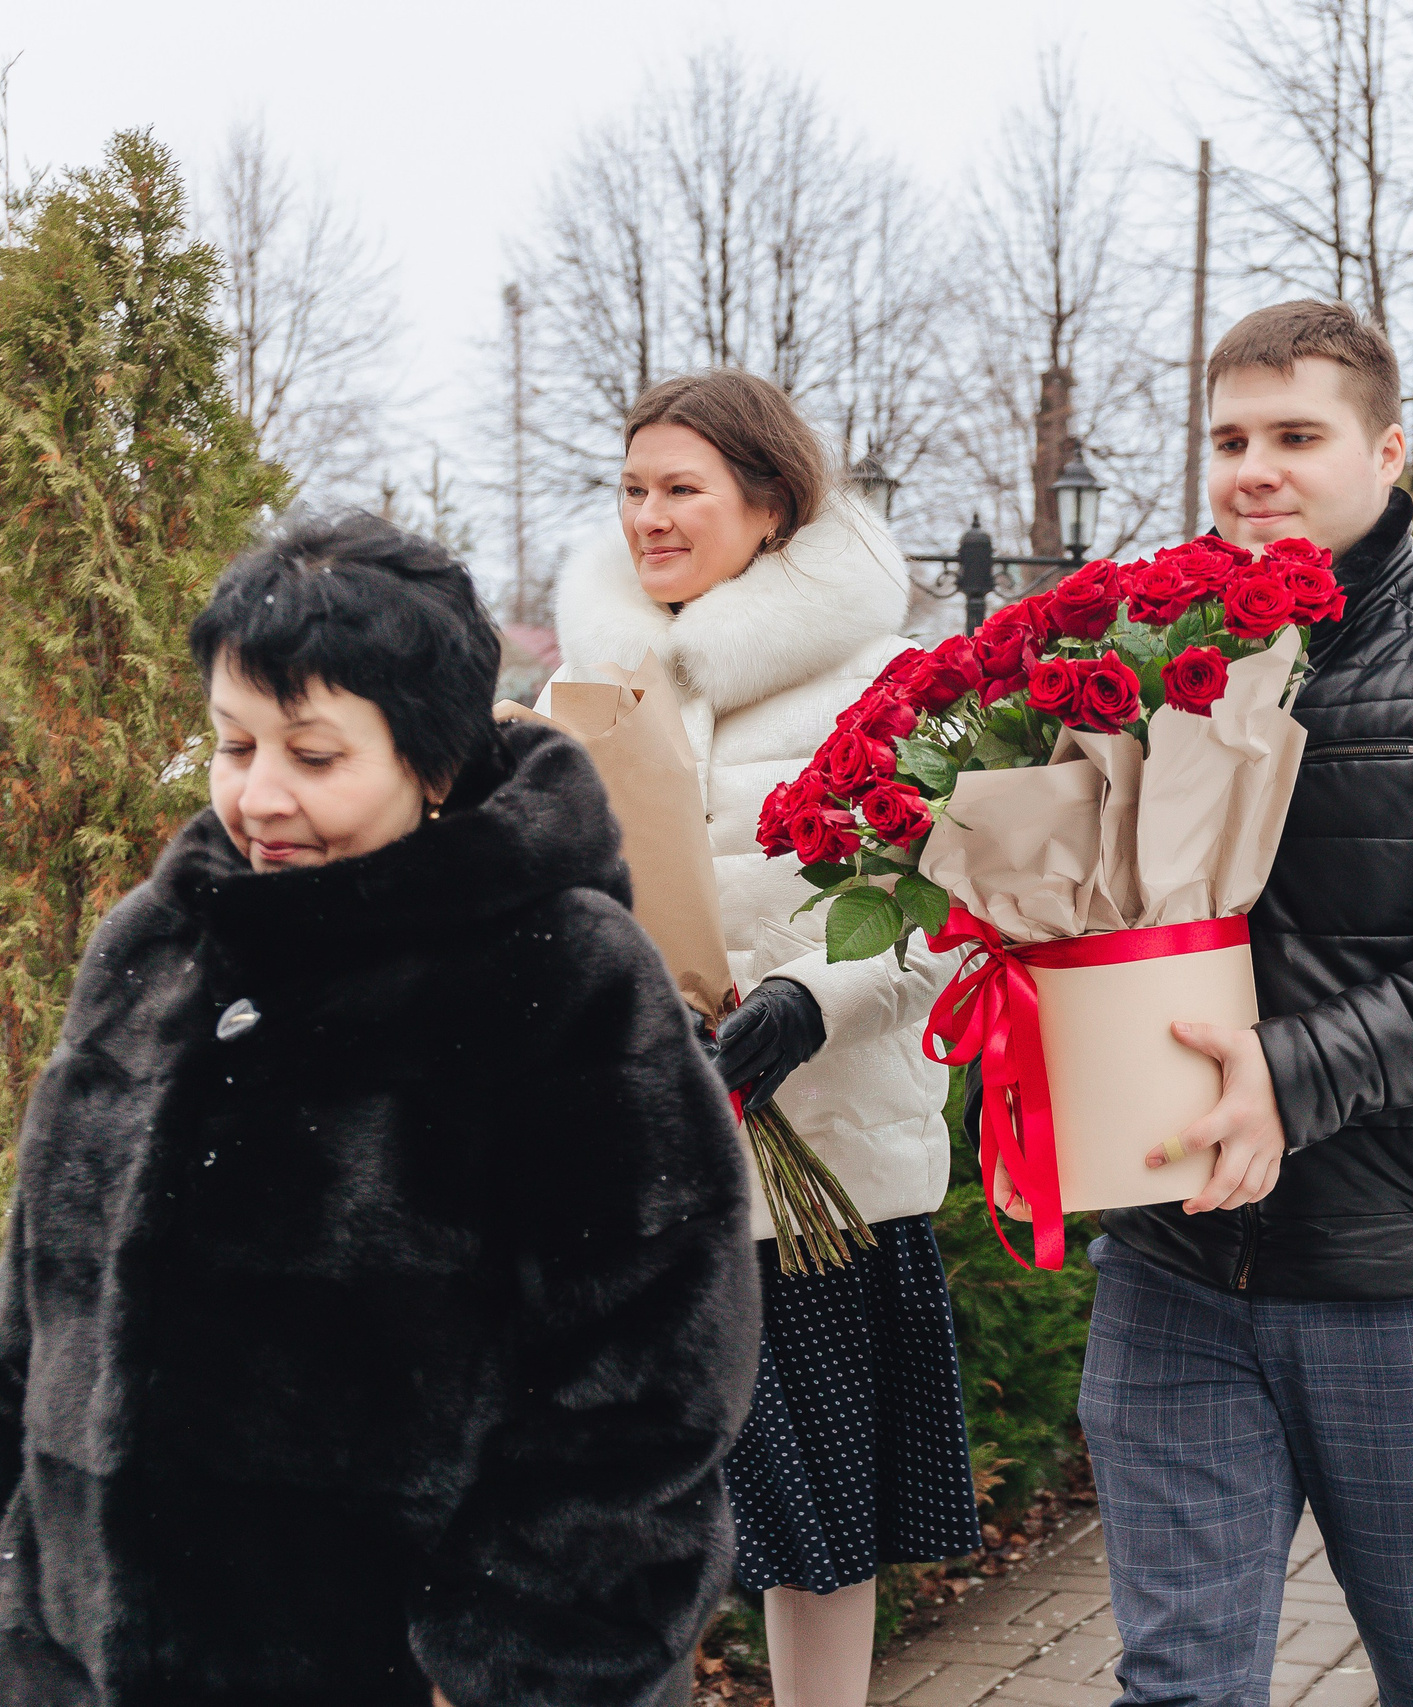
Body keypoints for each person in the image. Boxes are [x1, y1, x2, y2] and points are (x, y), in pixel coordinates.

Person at [0, 513, 759, 1706]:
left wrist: (522, 1658)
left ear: (435, 761)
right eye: (232, 742)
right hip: (84, 1648)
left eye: (313, 756)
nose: (258, 796)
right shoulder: (159, 943)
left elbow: (651, 1377)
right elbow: (45, 1256)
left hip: (393, 1664)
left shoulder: (558, 979)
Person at [1071, 302, 1413, 1707]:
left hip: (1404, 1268)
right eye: (1229, 439)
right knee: (1179, 1680)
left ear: (1387, 449)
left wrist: (1295, 1072)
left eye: (1296, 436)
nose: (1254, 469)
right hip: (1176, 1261)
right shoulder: (1155, 658)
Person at [551, 370, 978, 1707]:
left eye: (682, 488)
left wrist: (808, 996)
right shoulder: (590, 676)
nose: (648, 517)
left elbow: (958, 909)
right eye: (632, 488)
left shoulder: (888, 682)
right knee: (617, 1515)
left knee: (822, 1522)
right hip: (633, 1164)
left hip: (822, 1170)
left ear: (772, 500)